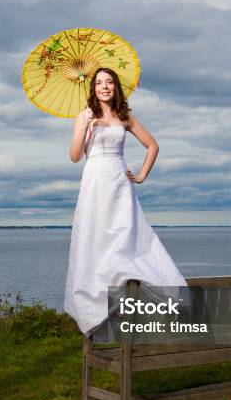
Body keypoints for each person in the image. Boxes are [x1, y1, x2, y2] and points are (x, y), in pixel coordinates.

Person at [64, 67, 187, 340]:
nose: (104, 86)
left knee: (123, 234)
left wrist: (142, 175)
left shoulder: (125, 116)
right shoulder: (84, 116)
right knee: (96, 236)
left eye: (109, 82)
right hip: (94, 182)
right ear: (93, 88)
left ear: (116, 87)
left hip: (119, 182)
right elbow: (74, 156)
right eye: (99, 83)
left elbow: (153, 145)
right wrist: (83, 127)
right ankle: (101, 303)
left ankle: (125, 293)